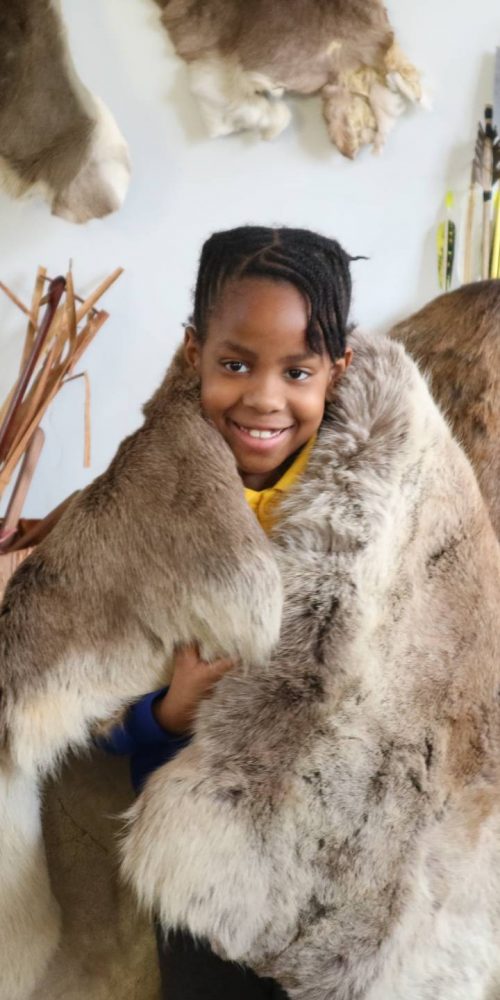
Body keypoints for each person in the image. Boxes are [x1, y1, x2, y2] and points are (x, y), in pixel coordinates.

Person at [105, 224, 355, 999]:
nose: (264, 399)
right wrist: (165, 713)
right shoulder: (140, 506)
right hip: (198, 872)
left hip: (332, 869)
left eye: (297, 371)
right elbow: (80, 702)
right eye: (236, 364)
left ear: (338, 371)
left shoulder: (369, 518)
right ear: (195, 354)